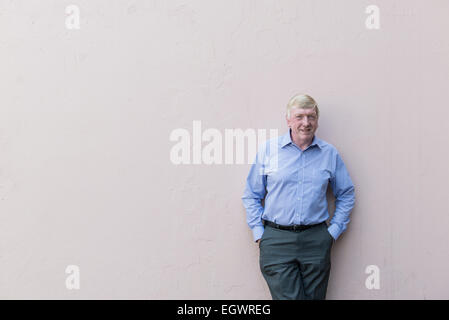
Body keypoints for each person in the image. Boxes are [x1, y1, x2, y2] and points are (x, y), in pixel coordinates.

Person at [242, 94, 355, 300]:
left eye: (311, 116)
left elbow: (346, 193)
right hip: (276, 240)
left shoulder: (329, 154)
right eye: (300, 116)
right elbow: (251, 195)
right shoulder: (269, 150)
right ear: (288, 120)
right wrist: (260, 233)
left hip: (316, 240)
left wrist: (333, 232)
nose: (306, 123)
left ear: (317, 121)